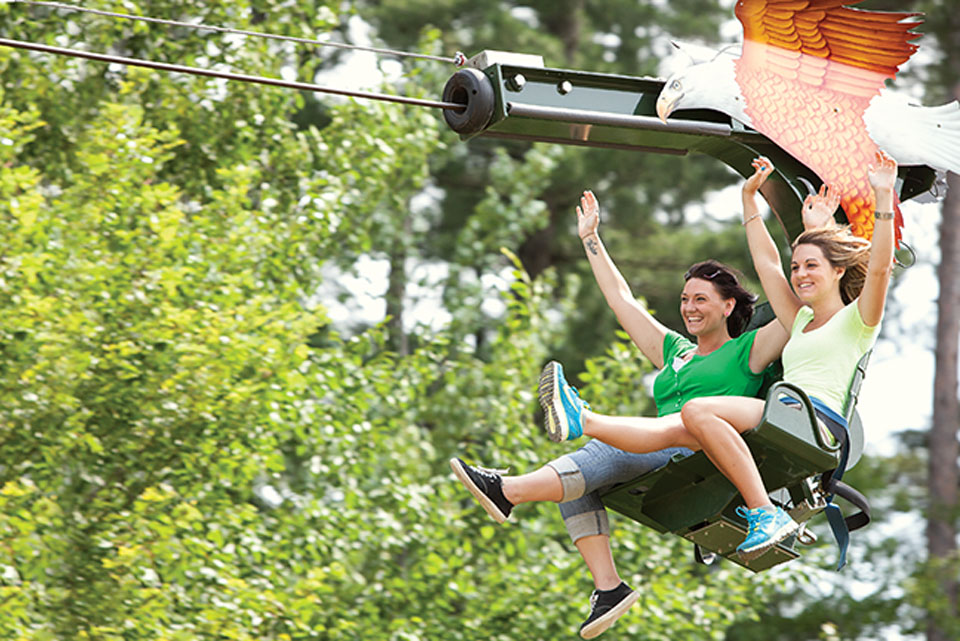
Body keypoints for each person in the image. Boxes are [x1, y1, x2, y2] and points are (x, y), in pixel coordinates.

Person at [449, 190, 788, 639]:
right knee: (577, 477)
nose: (689, 307)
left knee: (602, 450)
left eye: (701, 300)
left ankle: (510, 487)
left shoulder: (749, 350)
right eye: (686, 299)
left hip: (701, 452)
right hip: (661, 446)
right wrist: (591, 239)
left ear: (728, 306)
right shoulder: (675, 352)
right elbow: (622, 300)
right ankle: (608, 588)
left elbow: (794, 311)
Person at [543, 151, 897, 562]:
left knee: (698, 411)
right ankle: (582, 421)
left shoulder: (858, 321)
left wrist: (884, 198)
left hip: (813, 422)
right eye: (796, 267)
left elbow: (879, 271)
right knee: (670, 430)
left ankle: (765, 511)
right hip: (784, 413)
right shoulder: (798, 320)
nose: (799, 274)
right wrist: (750, 201)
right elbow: (767, 263)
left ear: (837, 271)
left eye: (810, 266)